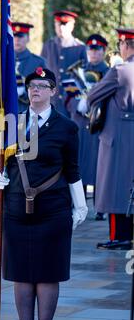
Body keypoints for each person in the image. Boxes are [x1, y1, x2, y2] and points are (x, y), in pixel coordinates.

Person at [0, 67, 88, 320]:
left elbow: (72, 169)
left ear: (53, 92)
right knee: (20, 271)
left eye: (43, 85)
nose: (36, 90)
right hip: (15, 206)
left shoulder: (66, 127)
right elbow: (0, 160)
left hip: (53, 208)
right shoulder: (10, 124)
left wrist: (80, 206)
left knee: (48, 272)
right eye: (32, 85)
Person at [88, 28, 134, 250]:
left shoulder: (120, 70)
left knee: (116, 188)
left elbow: (94, 94)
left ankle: (119, 236)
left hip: (118, 137)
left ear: (126, 45)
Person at [66, 34, 109, 220]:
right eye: (90, 49)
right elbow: (67, 96)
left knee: (99, 168)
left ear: (104, 51)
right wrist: (78, 105)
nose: (93, 52)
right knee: (78, 166)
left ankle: (100, 207)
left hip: (99, 126)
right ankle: (78, 204)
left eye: (97, 49)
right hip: (79, 124)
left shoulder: (109, 72)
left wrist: (94, 105)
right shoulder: (77, 72)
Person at [41, 10, 87, 115]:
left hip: (72, 106)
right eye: (58, 24)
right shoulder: (48, 46)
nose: (61, 28)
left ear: (72, 25)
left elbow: (85, 78)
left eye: (65, 24)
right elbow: (41, 72)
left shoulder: (80, 48)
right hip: (50, 104)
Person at [12, 22, 46, 113]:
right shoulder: (2, 61)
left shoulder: (38, 62)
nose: (16, 40)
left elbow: (44, 89)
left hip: (29, 112)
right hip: (4, 112)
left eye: (20, 36)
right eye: (14, 36)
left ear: (28, 39)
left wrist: (25, 93)